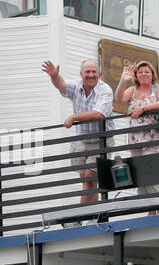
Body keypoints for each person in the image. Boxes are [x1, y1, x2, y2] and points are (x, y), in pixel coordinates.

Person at [41, 56, 114, 206]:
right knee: (88, 183)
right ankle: (93, 216)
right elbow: (61, 85)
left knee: (89, 179)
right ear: (81, 74)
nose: (91, 75)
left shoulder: (105, 90)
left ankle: (79, 217)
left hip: (100, 141)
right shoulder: (76, 85)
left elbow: (98, 113)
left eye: (94, 71)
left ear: (98, 74)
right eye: (87, 71)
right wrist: (55, 76)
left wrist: (73, 117)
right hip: (81, 139)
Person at [114, 61, 159, 200]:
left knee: (150, 173)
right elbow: (118, 98)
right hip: (135, 139)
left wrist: (143, 109)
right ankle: (150, 210)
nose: (143, 74)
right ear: (136, 75)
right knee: (139, 175)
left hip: (152, 138)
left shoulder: (158, 88)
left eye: (147, 71)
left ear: (152, 74)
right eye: (140, 72)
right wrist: (122, 81)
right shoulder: (132, 90)